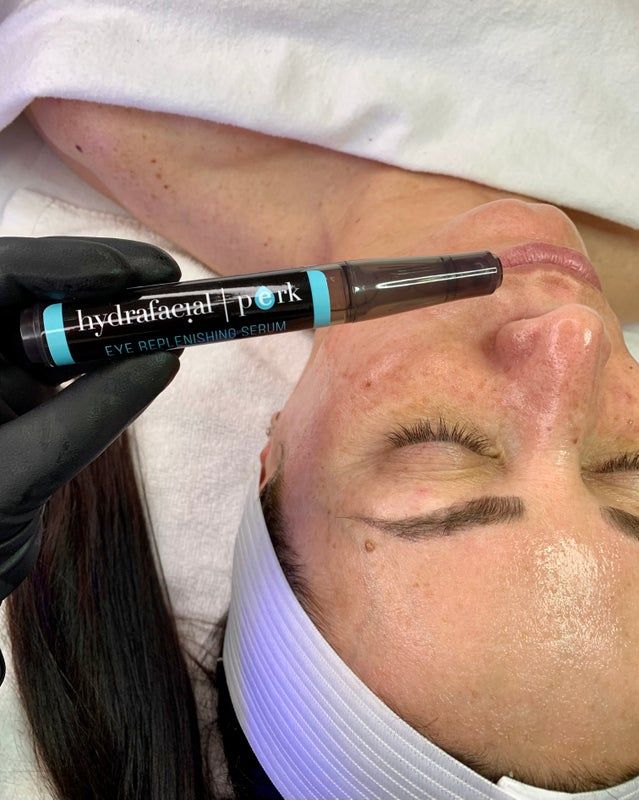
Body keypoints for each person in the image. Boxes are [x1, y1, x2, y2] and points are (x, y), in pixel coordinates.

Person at [0, 95, 639, 800]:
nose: (574, 341)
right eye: (626, 471)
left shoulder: (107, 84)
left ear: (272, 453)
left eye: (440, 450)